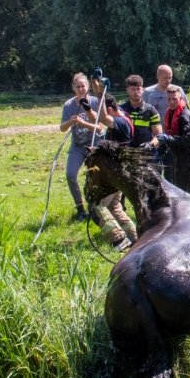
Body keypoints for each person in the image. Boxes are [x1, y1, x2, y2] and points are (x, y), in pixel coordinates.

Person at [83, 94, 139, 251]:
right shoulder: (122, 115)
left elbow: (102, 117)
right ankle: (135, 237)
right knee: (114, 206)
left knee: (97, 206)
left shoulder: (120, 122)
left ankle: (118, 240)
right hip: (118, 173)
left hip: (112, 175)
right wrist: (90, 105)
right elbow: (98, 118)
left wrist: (100, 94)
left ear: (109, 109)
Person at [59, 73, 104, 221]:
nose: (80, 89)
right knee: (70, 174)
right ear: (73, 88)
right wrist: (71, 122)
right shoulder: (69, 105)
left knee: (95, 177)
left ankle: (97, 209)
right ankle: (80, 209)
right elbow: (62, 128)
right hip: (77, 146)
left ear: (88, 87)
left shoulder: (95, 102)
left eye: (83, 86)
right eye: (77, 86)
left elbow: (100, 128)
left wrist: (84, 123)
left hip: (94, 145)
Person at [161, 85, 190, 193]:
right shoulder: (171, 112)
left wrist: (168, 139)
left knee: (185, 191)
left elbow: (189, 140)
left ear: (180, 98)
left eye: (174, 99)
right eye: (169, 99)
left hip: (187, 159)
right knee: (176, 189)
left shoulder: (185, 115)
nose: (171, 102)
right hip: (176, 157)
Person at [120, 74, 162, 149]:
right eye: (133, 89)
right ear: (127, 90)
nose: (136, 92)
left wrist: (150, 144)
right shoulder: (121, 110)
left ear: (142, 90)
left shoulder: (151, 110)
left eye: (138, 89)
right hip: (125, 153)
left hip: (144, 154)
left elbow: (159, 135)